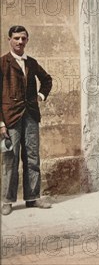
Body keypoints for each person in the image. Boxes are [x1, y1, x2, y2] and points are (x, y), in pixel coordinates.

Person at [0, 25, 53, 216]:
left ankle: (32, 197)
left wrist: (40, 96)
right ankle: (7, 200)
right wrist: (1, 123)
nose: (20, 42)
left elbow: (47, 80)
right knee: (10, 159)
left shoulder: (31, 62)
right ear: (9, 40)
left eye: (23, 38)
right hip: (10, 118)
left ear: (27, 41)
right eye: (16, 38)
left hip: (30, 115)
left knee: (32, 156)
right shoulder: (3, 63)